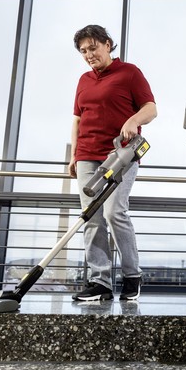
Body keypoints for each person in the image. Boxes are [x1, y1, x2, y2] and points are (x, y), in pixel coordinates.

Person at [69, 24, 157, 301]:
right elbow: (78, 120)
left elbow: (151, 109)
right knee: (91, 217)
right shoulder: (83, 80)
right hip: (87, 154)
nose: (89, 55)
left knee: (114, 212)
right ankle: (100, 282)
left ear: (107, 44)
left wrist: (133, 120)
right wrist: (73, 155)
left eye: (93, 48)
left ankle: (132, 275)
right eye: (83, 51)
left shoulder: (130, 73)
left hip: (121, 154)